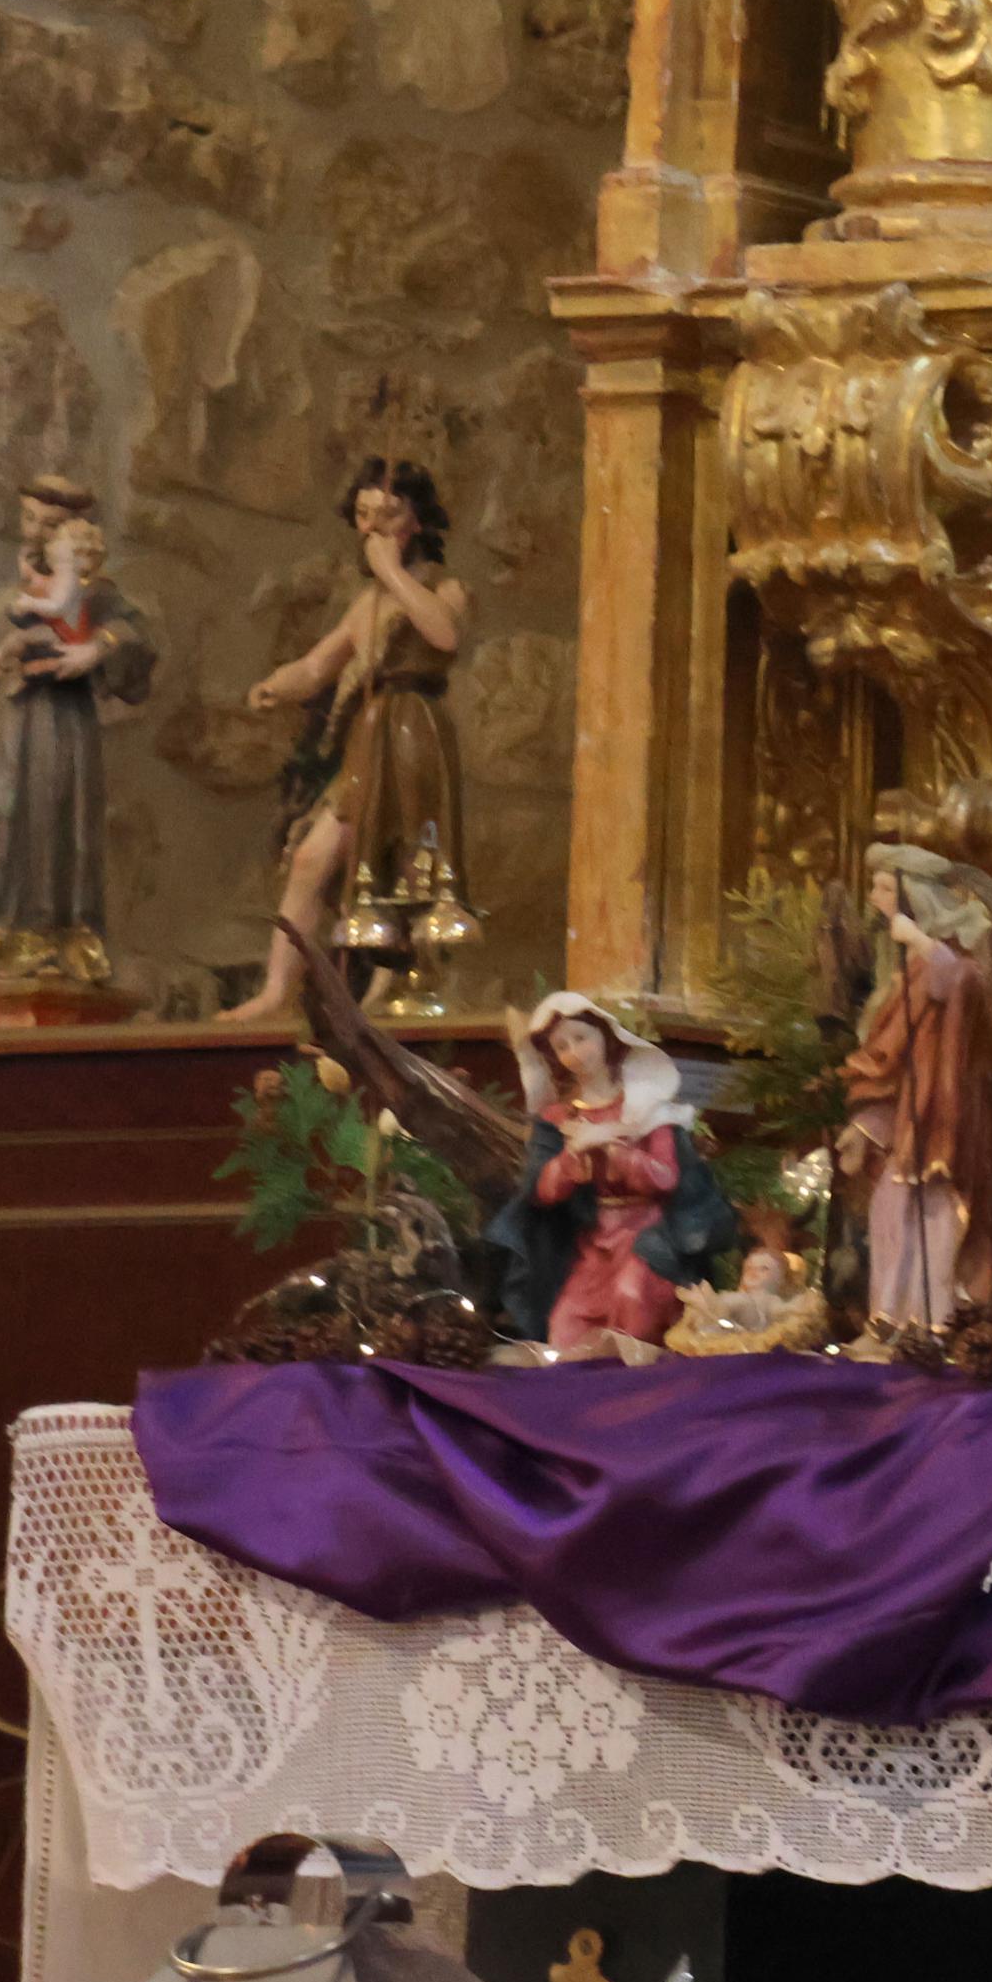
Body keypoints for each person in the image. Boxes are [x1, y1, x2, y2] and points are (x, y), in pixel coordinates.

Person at [225, 459, 475, 1024]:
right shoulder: (365, 604)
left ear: (416, 521)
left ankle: (392, 985)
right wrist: (275, 686)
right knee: (313, 859)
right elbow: (319, 666)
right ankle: (276, 990)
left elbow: (443, 632)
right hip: (367, 736)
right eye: (364, 515)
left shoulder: (441, 586)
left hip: (413, 730)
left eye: (388, 514)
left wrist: (391, 574)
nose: (373, 528)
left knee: (407, 855)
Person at [0, 499, 156, 985]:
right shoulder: (15, 594)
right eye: (28, 519)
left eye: (50, 525)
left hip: (58, 724)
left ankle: (47, 937)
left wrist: (97, 648)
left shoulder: (96, 595)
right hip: (5, 726)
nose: (35, 532)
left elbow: (135, 636)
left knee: (48, 823)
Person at [490, 992, 737, 1354]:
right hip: (592, 1242)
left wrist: (612, 1147)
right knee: (566, 1324)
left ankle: (636, 1397)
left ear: (605, 1037)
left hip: (647, 1236)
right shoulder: (559, 1119)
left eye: (581, 1038)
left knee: (631, 1301)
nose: (575, 1052)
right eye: (562, 1046)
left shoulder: (646, 1107)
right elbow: (541, 1191)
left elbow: (666, 1177)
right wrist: (571, 1158)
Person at [836, 843, 992, 1335]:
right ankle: (890, 1322)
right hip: (914, 1113)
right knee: (891, 1208)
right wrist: (865, 1128)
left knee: (936, 1211)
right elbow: (893, 1063)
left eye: (885, 889)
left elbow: (962, 986)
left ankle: (937, 1323)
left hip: (953, 1108)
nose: (875, 899)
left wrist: (924, 945)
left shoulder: (961, 956)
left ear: (914, 898)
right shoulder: (910, 970)